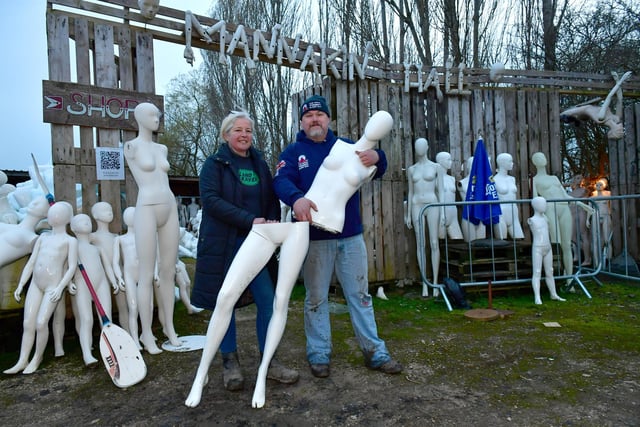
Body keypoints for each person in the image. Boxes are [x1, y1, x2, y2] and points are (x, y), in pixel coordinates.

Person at [273, 94, 402, 378]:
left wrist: (379, 157)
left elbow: (378, 168)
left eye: (319, 115)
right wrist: (296, 199)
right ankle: (319, 354)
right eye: (309, 116)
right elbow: (280, 181)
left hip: (350, 236)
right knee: (316, 297)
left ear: (328, 119)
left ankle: (375, 353)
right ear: (302, 121)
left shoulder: (345, 146)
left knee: (360, 296)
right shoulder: (294, 152)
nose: (315, 119)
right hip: (315, 239)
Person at [189, 110, 298, 392]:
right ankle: (230, 362)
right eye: (238, 130)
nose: (244, 135)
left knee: (268, 300)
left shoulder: (259, 164)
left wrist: (272, 225)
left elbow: (270, 200)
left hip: (258, 244)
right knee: (225, 302)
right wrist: (249, 220)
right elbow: (211, 201)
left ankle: (270, 361)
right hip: (225, 244)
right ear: (226, 134)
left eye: (248, 130)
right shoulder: (214, 165)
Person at [124, 102, 181, 354]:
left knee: (168, 271)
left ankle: (168, 326)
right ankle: (146, 333)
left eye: (157, 114)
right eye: (150, 114)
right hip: (146, 207)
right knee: (146, 274)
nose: (156, 118)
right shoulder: (130, 147)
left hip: (169, 206)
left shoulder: (162, 148)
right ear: (138, 117)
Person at [4, 201, 77, 374]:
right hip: (36, 284)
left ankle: (37, 357)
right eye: (51, 213)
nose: (52, 215)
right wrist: (21, 284)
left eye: (56, 213)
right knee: (28, 323)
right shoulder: (42, 237)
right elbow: (31, 262)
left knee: (41, 323)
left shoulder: (69, 241)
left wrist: (60, 288)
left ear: (66, 218)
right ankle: (22, 360)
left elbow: (72, 266)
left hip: (53, 286)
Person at [531, 152, 593, 289]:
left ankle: (569, 280)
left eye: (543, 156)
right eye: (538, 158)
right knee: (555, 243)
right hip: (550, 209)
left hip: (564, 207)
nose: (542, 159)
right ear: (534, 162)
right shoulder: (535, 180)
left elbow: (565, 196)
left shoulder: (554, 178)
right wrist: (541, 215)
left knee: (566, 245)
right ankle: (553, 281)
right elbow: (536, 200)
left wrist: (582, 204)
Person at [69, 213, 119, 366]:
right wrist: (69, 281)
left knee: (106, 318)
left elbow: (108, 266)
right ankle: (87, 353)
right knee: (87, 319)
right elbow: (69, 266)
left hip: (101, 282)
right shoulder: (73, 247)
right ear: (73, 227)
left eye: (88, 220)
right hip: (83, 283)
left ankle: (111, 348)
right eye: (81, 221)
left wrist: (113, 281)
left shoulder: (97, 249)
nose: (87, 222)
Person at [405, 137, 444, 296]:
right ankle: (425, 283)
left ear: (427, 147)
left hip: (432, 204)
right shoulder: (411, 169)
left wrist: (442, 213)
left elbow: (440, 191)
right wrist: (408, 214)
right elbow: (410, 191)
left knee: (434, 243)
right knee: (420, 243)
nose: (419, 148)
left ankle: (434, 282)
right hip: (416, 204)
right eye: (417, 146)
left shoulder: (436, 167)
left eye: (422, 145)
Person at [90, 202, 128, 332]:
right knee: (105, 308)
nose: (109, 211)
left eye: (110, 209)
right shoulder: (92, 237)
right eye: (105, 210)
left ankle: (129, 333)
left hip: (119, 273)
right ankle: (108, 336)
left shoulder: (116, 236)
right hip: (102, 275)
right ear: (95, 215)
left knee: (124, 306)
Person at [528, 197, 566, 305]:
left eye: (545, 204)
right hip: (538, 247)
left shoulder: (545, 218)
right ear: (535, 206)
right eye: (542, 204)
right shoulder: (532, 220)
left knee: (550, 271)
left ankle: (553, 294)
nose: (544, 206)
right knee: (537, 272)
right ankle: (537, 297)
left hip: (548, 247)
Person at [112, 206, 141, 348]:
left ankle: (145, 335)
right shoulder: (120, 239)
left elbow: (151, 256)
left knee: (146, 306)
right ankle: (134, 338)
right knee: (133, 308)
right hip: (129, 276)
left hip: (143, 275)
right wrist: (119, 277)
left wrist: (154, 272)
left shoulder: (143, 237)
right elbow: (115, 262)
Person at [492, 153, 525, 240]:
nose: (512, 163)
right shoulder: (494, 179)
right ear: (502, 163)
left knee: (519, 239)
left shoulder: (512, 179)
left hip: (513, 212)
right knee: (502, 241)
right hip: (501, 212)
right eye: (510, 161)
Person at [435, 151, 463, 240]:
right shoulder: (435, 179)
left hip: (453, 214)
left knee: (458, 240)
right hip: (440, 214)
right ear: (441, 161)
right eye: (448, 160)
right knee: (440, 241)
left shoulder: (452, 179)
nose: (450, 162)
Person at [457, 156, 486, 242]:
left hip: (481, 217)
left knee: (481, 246)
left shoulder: (483, 184)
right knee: (471, 246)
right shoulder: (462, 183)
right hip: (468, 217)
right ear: (469, 166)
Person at [568, 175, 592, 266]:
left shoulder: (584, 190)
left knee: (583, 234)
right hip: (572, 213)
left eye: (580, 178)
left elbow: (584, 199)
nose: (579, 180)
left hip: (581, 212)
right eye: (577, 178)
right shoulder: (570, 193)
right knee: (572, 237)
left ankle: (587, 259)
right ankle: (589, 252)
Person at [591, 178, 612, 264]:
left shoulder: (608, 194)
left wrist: (610, 215)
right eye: (597, 184)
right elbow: (590, 209)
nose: (599, 186)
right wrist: (587, 220)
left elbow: (611, 206)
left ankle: (609, 259)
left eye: (601, 184)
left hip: (606, 215)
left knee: (607, 238)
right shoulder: (592, 196)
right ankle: (596, 261)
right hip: (596, 215)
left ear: (605, 185)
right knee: (595, 239)